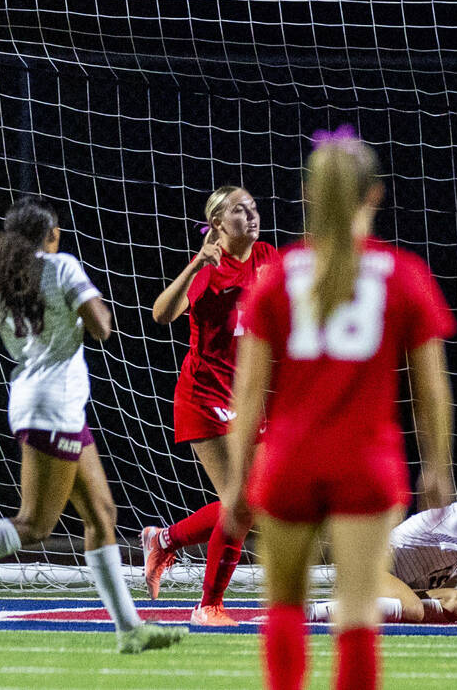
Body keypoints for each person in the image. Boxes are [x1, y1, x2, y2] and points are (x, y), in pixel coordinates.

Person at [220, 124, 457, 690]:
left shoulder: (276, 276)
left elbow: (248, 394)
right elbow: (431, 390)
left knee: (285, 607)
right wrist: (437, 464)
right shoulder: (404, 274)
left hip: (290, 459)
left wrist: (234, 484)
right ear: (374, 195)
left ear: (308, 195)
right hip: (366, 461)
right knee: (355, 610)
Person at [0, 196, 186, 654]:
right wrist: (85, 302)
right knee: (34, 524)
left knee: (102, 516)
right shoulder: (62, 267)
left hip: (49, 405)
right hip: (52, 407)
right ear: (50, 235)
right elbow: (101, 326)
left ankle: (130, 630)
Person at [140, 186, 280, 626]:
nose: (251, 215)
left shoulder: (266, 257)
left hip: (247, 396)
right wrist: (196, 264)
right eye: (239, 210)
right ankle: (208, 605)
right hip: (205, 396)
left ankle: (165, 540)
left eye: (254, 207)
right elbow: (162, 314)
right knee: (241, 502)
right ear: (218, 224)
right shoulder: (210, 269)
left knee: (254, 503)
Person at [308, 465, 457, 624]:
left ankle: (383, 607)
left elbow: (448, 584)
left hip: (396, 586)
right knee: (414, 609)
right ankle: (316, 612)